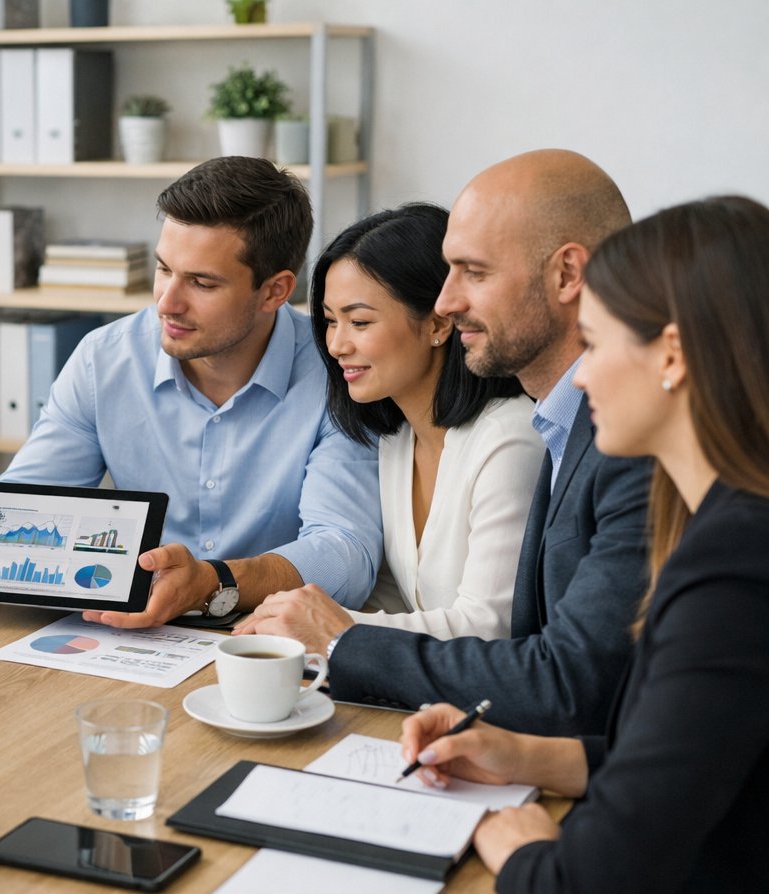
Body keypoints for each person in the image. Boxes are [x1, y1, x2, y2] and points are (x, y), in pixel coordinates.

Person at [402, 196, 769, 894]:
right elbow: (706, 755)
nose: (585, 374)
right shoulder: (726, 521)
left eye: (597, 345)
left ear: (672, 355)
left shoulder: (734, 566)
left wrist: (510, 839)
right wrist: (526, 757)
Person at [242, 150, 651, 735]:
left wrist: (333, 634)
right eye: (329, 322)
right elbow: (388, 591)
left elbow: (535, 654)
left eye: (474, 273)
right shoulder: (399, 434)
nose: (449, 300)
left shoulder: (551, 437)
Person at [0, 157, 382, 626]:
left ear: (275, 292)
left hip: (268, 643)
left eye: (201, 282)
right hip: (130, 637)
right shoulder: (103, 360)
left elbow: (346, 553)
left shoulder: (338, 371)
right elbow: (32, 501)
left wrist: (214, 581)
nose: (167, 302)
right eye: (164, 269)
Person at [246, 204, 541, 640]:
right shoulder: (398, 438)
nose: (336, 345)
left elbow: (489, 627)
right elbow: (398, 600)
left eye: (360, 321)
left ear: (439, 323)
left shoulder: (509, 438)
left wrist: (327, 626)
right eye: (330, 321)